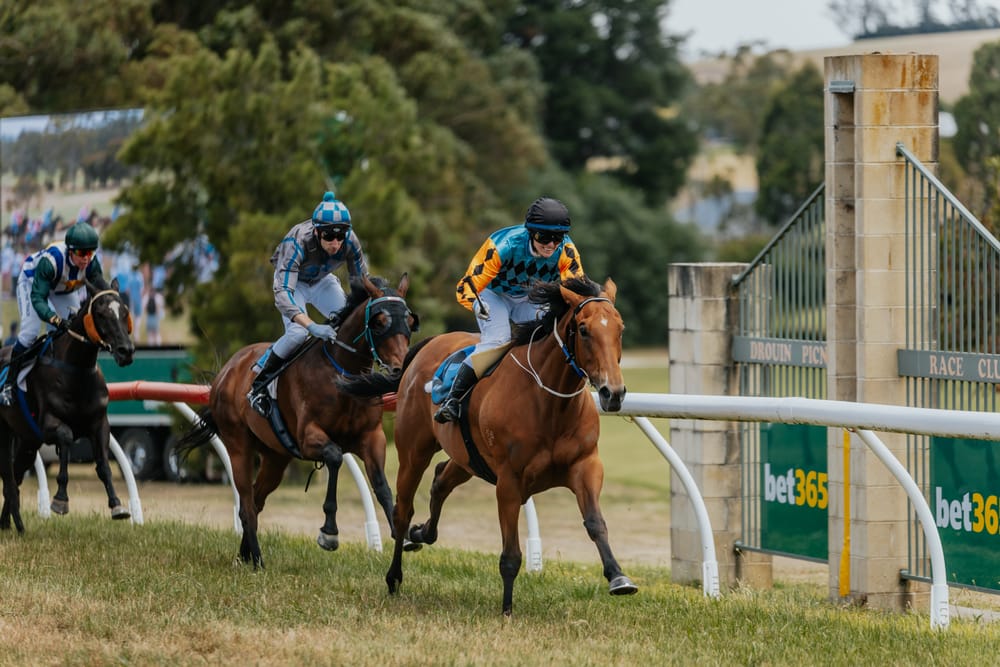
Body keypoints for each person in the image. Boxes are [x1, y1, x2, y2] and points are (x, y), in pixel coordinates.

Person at [434, 196, 585, 424]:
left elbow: (575, 293)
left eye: (557, 237)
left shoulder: (567, 251)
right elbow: (467, 286)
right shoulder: (503, 245)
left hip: (529, 298)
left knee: (554, 329)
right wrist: (477, 304)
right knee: (498, 340)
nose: (551, 244)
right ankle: (453, 399)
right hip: (492, 295)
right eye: (544, 237)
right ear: (531, 232)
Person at [247, 191, 369, 416]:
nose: (335, 243)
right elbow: (283, 294)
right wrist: (311, 325)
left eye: (340, 236)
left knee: (350, 324)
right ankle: (258, 382)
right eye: (329, 237)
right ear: (316, 231)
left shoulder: (350, 241)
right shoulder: (297, 241)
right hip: (293, 286)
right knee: (298, 334)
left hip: (322, 281)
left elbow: (362, 287)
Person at [0, 222, 112, 406]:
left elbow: (101, 289)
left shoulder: (91, 262)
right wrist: (55, 319)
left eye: (90, 252)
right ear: (70, 251)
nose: (86, 258)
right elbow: (38, 298)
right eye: (81, 253)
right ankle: (9, 386)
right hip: (32, 284)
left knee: (74, 330)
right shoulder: (52, 261)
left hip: (62, 291)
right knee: (29, 333)